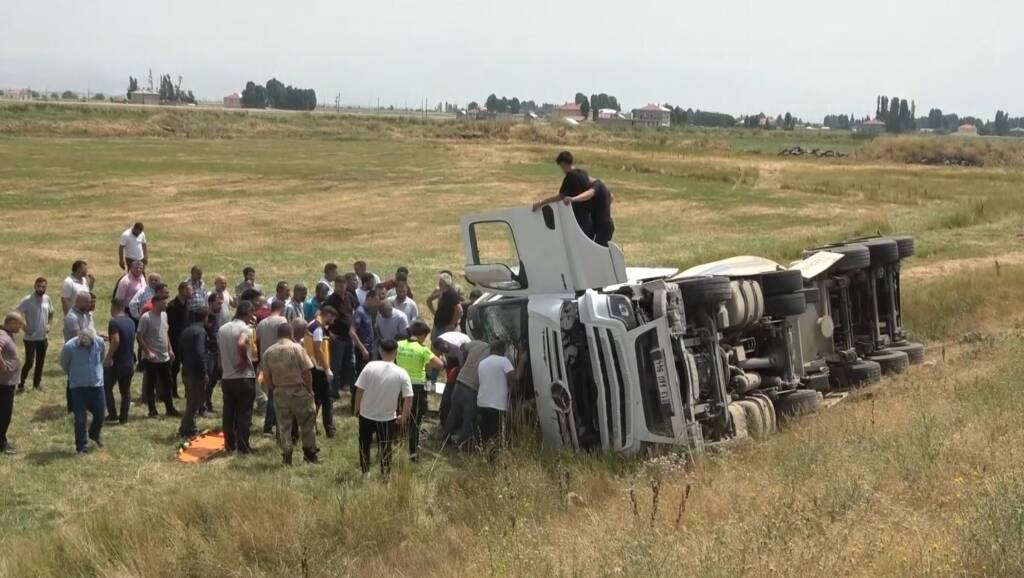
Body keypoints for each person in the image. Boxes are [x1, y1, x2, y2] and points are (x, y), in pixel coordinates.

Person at [263, 322, 319, 465]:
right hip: (298, 390)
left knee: (284, 425)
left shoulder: (268, 352)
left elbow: (267, 376)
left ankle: (287, 457)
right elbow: (307, 372)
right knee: (307, 423)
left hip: (280, 391)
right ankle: (309, 454)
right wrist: (310, 389)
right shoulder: (297, 348)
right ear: (291, 334)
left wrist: (274, 388)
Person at [354, 339, 413, 478]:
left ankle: (365, 473)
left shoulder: (370, 366)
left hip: (366, 414)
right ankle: (385, 475)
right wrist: (404, 417)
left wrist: (357, 408)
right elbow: (409, 398)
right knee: (386, 447)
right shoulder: (402, 373)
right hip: (387, 418)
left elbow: (359, 390)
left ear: (380, 350)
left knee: (364, 444)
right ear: (396, 352)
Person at [396, 320, 443, 461]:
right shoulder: (422, 349)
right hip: (416, 387)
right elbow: (439, 364)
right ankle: (413, 453)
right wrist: (425, 364)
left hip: (399, 385)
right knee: (415, 420)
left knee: (400, 414)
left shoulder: (399, 345)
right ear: (422, 335)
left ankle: (394, 442)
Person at [218, 300, 257, 455]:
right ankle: (243, 446)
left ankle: (229, 445)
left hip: (227, 377)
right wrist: (243, 360)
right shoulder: (245, 329)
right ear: (248, 313)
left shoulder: (222, 329)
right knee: (244, 413)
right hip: (243, 377)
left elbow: (220, 352)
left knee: (228, 413)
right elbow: (241, 344)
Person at [60, 329, 106, 455]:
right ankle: (81, 447)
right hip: (78, 388)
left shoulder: (100, 343)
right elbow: (64, 364)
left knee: (101, 414)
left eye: (88, 343)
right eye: (82, 343)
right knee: (80, 419)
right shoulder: (70, 347)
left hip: (97, 385)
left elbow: (102, 358)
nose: (85, 345)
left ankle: (94, 434)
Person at [137, 283, 179, 418]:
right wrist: (148, 352)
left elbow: (165, 333)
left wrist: (170, 349)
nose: (166, 304)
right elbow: (139, 336)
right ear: (155, 303)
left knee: (168, 383)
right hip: (152, 359)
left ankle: (170, 408)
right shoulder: (146, 318)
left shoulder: (164, 315)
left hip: (165, 356)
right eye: (163, 302)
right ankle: (152, 410)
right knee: (151, 385)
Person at [531, 150, 593, 237]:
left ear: (563, 164)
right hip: (588, 217)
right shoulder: (584, 174)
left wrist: (541, 203)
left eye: (561, 166)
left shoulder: (570, 176)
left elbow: (560, 197)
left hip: (576, 217)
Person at [324, 275, 364, 406]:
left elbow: (357, 309)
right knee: (336, 366)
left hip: (349, 337)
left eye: (342, 286)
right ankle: (333, 392)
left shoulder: (350, 296)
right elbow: (322, 316)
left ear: (346, 285)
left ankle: (353, 389)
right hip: (337, 337)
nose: (339, 288)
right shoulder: (331, 299)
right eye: (337, 286)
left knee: (350, 364)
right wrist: (328, 332)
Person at [443, 340, 491, 447]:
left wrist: (465, 360)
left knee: (453, 413)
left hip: (459, 382)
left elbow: (462, 347)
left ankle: (445, 438)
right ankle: (463, 444)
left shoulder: (477, 343)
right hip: (472, 388)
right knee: (468, 419)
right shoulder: (494, 354)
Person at [476, 341, 517, 450]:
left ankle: (483, 453)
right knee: (496, 433)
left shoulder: (482, 363)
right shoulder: (504, 361)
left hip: (482, 402)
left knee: (485, 431)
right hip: (497, 404)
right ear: (502, 350)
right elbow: (516, 377)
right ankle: (491, 457)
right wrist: (522, 360)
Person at [256, 300, 288, 436]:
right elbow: (286, 340)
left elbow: (257, 342)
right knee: (275, 395)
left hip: (265, 360)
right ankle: (269, 426)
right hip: (279, 361)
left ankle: (273, 424)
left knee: (272, 392)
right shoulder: (282, 320)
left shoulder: (261, 323)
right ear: (282, 308)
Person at [177, 308, 210, 438]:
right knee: (195, 402)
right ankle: (184, 428)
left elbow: (180, 351)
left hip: (186, 369)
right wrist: (204, 372)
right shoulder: (201, 332)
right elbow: (200, 353)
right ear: (205, 317)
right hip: (196, 373)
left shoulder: (186, 330)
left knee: (191, 400)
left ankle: (191, 428)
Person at [304, 306, 336, 438]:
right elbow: (318, 349)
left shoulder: (311, 323)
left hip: (311, 366)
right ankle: (330, 430)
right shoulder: (318, 328)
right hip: (319, 369)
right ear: (327, 315)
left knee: (315, 400)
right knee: (327, 400)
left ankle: (311, 426)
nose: (333, 321)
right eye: (332, 318)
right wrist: (327, 368)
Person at [102, 298, 135, 424]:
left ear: (114, 306)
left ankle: (112, 414)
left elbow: (116, 341)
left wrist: (109, 357)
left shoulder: (114, 322)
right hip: (129, 361)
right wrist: (108, 337)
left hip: (117, 362)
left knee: (107, 387)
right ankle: (124, 418)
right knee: (125, 391)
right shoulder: (130, 321)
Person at [17, 278, 53, 392]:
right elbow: (16, 313)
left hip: (43, 338)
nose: (41, 289)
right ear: (34, 286)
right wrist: (24, 327)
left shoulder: (47, 299)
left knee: (40, 362)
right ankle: (21, 384)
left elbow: (51, 312)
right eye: (39, 286)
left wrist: (49, 325)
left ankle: (36, 385)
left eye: (43, 287)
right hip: (30, 339)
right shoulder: (28, 300)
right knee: (29, 362)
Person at [0, 312, 26, 455]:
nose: (21, 327)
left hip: (6, 383)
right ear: (11, 322)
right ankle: (1, 444)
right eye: (20, 324)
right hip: (4, 384)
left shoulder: (6, 334)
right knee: (4, 414)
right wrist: (4, 367)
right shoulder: (3, 335)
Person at [433, 329, 471, 426]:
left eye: (445, 349)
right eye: (442, 350)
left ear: (447, 344)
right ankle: (450, 384)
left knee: (457, 374)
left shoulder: (458, 346)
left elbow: (462, 364)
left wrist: (459, 374)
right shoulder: (438, 343)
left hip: (463, 350)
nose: (444, 351)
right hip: (452, 352)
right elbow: (439, 355)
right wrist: (443, 360)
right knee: (451, 374)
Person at [166, 281, 193, 399]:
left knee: (187, 367)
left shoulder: (188, 305)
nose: (191, 292)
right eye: (189, 290)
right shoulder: (172, 306)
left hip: (186, 342)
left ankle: (188, 391)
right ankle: (172, 391)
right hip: (175, 341)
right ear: (182, 290)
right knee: (174, 368)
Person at [204, 292, 225, 414]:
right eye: (218, 303)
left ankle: (208, 402)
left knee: (213, 380)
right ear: (210, 303)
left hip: (216, 351)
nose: (220, 306)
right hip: (208, 353)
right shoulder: (206, 317)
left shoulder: (216, 317)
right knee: (208, 379)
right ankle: (204, 405)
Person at [427, 272, 463, 339]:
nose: (439, 285)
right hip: (437, 324)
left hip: (446, 326)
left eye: (440, 283)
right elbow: (429, 300)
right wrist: (434, 312)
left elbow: (459, 311)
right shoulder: (441, 292)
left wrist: (452, 323)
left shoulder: (452, 294)